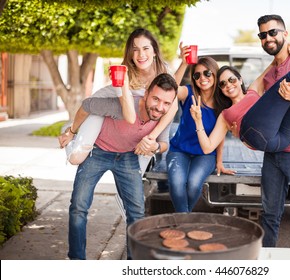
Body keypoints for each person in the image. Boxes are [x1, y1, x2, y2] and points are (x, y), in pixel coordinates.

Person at [190, 2, 290, 251]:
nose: (268, 38)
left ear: (285, 33)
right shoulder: (266, 77)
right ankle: (265, 267)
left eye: (273, 32)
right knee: (270, 216)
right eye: (263, 35)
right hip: (273, 152)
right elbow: (256, 89)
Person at [59, 73, 177, 260]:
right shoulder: (123, 105)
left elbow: (165, 144)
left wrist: (154, 146)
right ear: (146, 94)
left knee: (137, 211)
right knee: (78, 206)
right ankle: (77, 260)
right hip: (97, 151)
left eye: (166, 103)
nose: (159, 107)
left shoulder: (164, 115)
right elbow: (87, 105)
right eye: (156, 99)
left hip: (128, 157)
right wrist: (72, 131)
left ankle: (132, 263)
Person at [64, 28, 176, 174]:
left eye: (146, 48)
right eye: (135, 49)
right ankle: (67, 129)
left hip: (138, 126)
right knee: (76, 157)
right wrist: (72, 131)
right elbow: (129, 116)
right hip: (100, 110)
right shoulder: (123, 75)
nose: (141, 54)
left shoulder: (165, 71)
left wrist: (150, 138)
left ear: (154, 51)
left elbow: (173, 105)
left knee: (138, 172)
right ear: (130, 53)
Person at [166, 45, 235, 213]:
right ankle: (185, 220)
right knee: (176, 183)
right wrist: (183, 63)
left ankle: (182, 221)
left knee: (193, 184)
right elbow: (171, 89)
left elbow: (220, 136)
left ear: (215, 74)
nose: (202, 78)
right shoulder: (189, 93)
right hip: (179, 150)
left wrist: (219, 162)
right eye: (197, 75)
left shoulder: (223, 103)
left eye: (207, 73)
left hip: (205, 154)